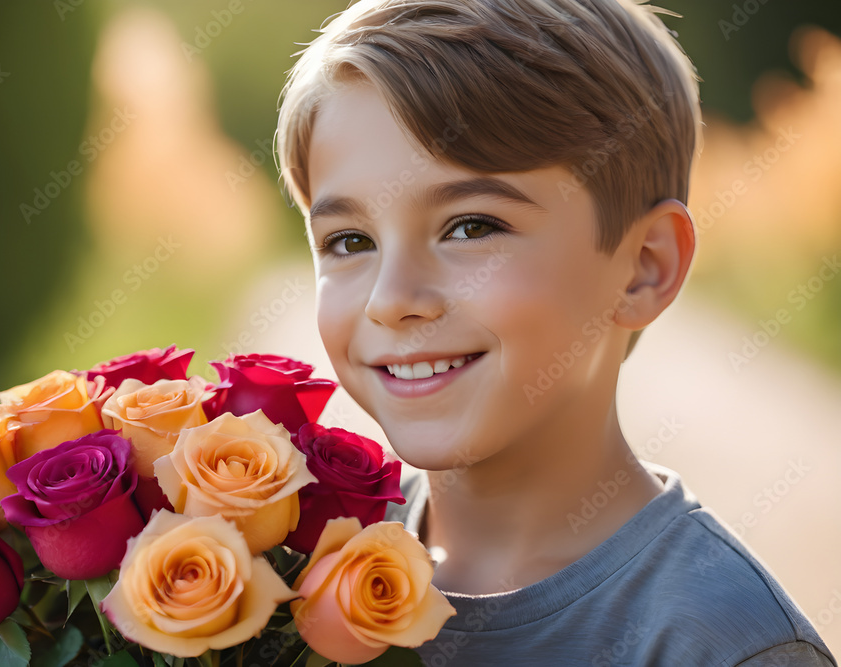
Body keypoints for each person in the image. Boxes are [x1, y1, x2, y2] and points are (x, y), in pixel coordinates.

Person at [274, 0, 837, 664]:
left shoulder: (725, 644)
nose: (392, 300)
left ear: (643, 267)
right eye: (349, 240)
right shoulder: (295, 570)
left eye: (471, 227)